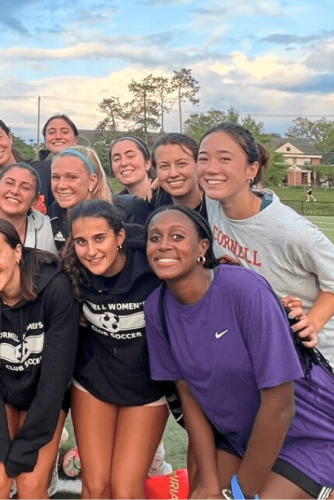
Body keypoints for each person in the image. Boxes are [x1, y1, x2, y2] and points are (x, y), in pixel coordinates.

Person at [144, 205, 334, 499]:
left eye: (177, 236)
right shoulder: (156, 308)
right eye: (154, 238)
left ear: (202, 247)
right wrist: (207, 482)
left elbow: (281, 406)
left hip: (308, 436)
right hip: (240, 437)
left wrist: (238, 493)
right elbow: (190, 396)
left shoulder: (244, 290)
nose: (164, 245)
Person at [0, 216, 79, 499]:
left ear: (17, 252)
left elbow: (56, 377)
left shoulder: (56, 289)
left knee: (31, 484)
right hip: (1, 393)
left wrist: (27, 443)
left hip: (44, 392)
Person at [61, 199, 169, 499]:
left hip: (146, 386)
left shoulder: (152, 265)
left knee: (126, 490)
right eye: (81, 241)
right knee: (96, 487)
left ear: (119, 237)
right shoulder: (74, 271)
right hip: (94, 381)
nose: (91, 251)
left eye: (100, 238)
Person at [199, 122, 334, 361]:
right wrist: (154, 183)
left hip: (315, 359)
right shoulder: (213, 203)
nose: (211, 169)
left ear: (252, 170)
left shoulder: (290, 230)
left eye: (224, 159)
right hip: (266, 349)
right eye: (203, 159)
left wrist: (312, 323)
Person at [0, 163, 57, 254]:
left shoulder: (49, 228)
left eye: (25, 188)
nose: (15, 191)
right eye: (9, 183)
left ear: (35, 201)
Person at [47, 146, 114, 251]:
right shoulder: (52, 215)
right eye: (56, 177)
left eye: (71, 177)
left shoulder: (111, 220)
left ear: (92, 181)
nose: (61, 185)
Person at [32, 114, 81, 208]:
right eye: (51, 132)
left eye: (65, 132)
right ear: (46, 141)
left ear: (75, 139)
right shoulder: (34, 171)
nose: (58, 136)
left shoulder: (89, 167)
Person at [151, 134, 206, 217]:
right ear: (156, 172)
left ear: (198, 164)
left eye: (181, 164)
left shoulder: (218, 208)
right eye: (164, 166)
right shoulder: (153, 206)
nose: (173, 173)